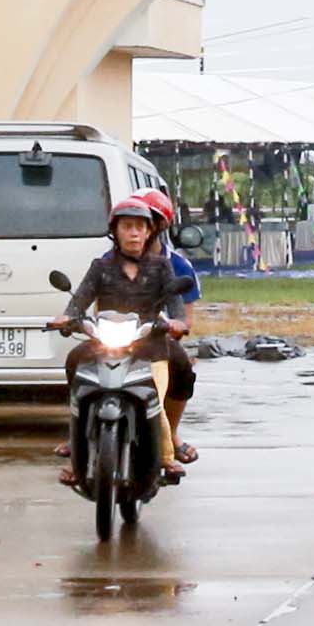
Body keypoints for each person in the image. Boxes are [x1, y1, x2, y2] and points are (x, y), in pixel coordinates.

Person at [60, 187, 200, 476]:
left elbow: (177, 307)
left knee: (156, 400)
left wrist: (176, 323)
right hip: (105, 342)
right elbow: (79, 300)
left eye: (140, 227)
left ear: (151, 230)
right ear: (115, 231)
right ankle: (76, 455)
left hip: (150, 344)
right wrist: (67, 318)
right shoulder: (101, 266)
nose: (134, 233)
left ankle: (165, 454)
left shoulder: (164, 267)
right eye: (127, 227)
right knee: (76, 364)